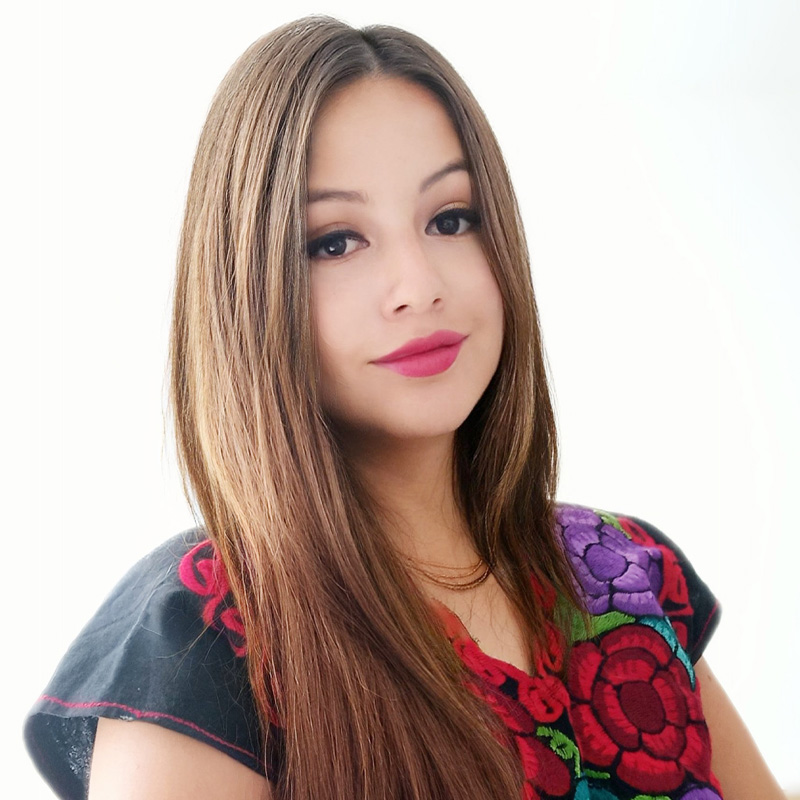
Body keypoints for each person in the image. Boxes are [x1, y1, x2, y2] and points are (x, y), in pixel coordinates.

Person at [25, 16, 785, 800]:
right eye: (335, 241)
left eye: (450, 220)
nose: (419, 285)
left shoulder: (631, 576)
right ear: (246, 291)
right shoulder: (199, 637)